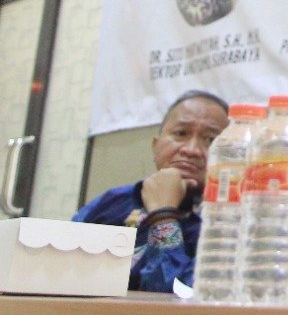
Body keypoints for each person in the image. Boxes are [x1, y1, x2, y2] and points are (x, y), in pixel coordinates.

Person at [73, 90, 230, 292]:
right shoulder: (112, 202)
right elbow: (59, 268)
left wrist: (163, 215)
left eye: (210, 140)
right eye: (181, 133)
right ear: (156, 146)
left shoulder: (226, 223)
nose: (191, 150)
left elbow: (179, 294)